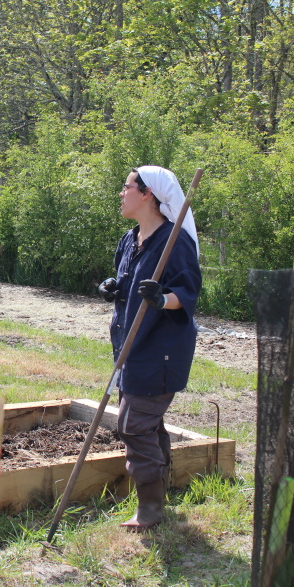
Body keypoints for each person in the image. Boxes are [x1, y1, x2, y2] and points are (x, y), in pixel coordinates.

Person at [98, 165, 202, 531]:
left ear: (147, 194)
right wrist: (113, 286)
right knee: (148, 423)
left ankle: (150, 509)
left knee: (133, 426)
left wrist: (163, 299)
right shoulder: (130, 239)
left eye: (126, 187)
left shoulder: (175, 242)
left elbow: (187, 294)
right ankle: (161, 492)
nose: (121, 193)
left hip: (160, 351)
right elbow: (126, 279)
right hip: (130, 346)